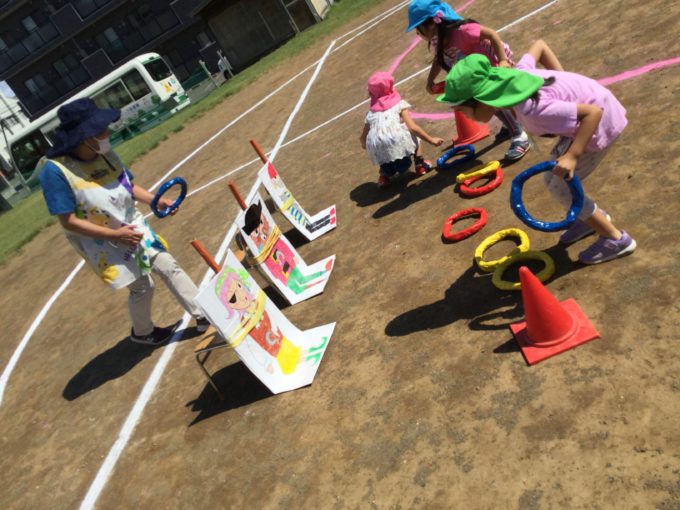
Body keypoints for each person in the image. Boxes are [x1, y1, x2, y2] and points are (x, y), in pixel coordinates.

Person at [436, 40, 636, 264]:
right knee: (552, 180)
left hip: (598, 125)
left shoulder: (534, 111)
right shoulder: (517, 76)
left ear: (482, 98)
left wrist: (572, 155)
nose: (465, 117)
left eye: (464, 110)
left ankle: (615, 239)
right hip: (582, 123)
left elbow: (593, 113)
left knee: (562, 189)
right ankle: (586, 219)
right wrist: (566, 86)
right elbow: (539, 45)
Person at [37, 98, 209, 345]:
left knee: (167, 264)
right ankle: (143, 332)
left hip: (132, 223)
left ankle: (204, 315)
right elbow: (68, 221)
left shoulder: (104, 153)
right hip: (103, 242)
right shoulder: (55, 171)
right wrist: (115, 236)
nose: (107, 133)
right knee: (142, 287)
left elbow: (128, 186)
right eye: (100, 130)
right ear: (82, 136)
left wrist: (155, 201)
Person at [406, 0, 534, 161]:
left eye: (418, 29)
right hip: (474, 71)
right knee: (485, 101)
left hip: (490, 62)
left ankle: (519, 135)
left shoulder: (462, 31)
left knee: (491, 99)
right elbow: (439, 58)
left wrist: (503, 61)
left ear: (431, 24)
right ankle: (511, 125)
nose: (418, 34)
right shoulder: (436, 39)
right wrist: (430, 80)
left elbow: (492, 35)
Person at [360, 71, 444, 188]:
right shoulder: (399, 104)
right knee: (409, 130)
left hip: (377, 149)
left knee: (380, 140)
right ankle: (420, 164)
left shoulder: (371, 113)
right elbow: (413, 128)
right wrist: (431, 140)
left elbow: (363, 138)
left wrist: (366, 145)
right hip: (399, 146)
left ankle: (384, 175)